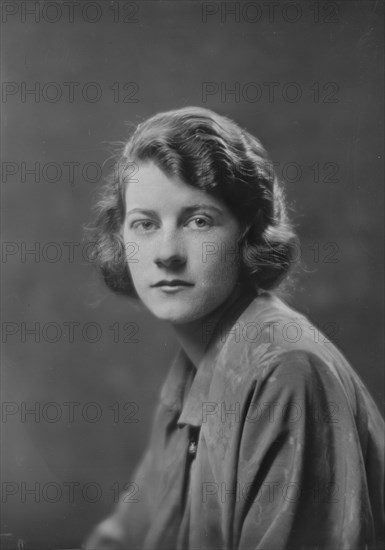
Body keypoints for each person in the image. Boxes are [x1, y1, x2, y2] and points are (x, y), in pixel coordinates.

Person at [84, 107, 384, 550]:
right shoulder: (193, 367)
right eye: (144, 224)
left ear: (247, 232)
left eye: (198, 220)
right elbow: (126, 537)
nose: (166, 252)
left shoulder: (284, 371)